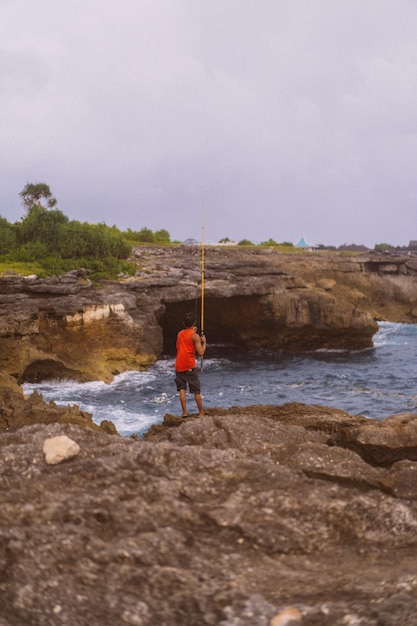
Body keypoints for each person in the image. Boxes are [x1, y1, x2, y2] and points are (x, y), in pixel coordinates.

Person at [175, 311, 206, 417]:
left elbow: (183, 342)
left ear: (184, 323)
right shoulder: (195, 336)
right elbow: (201, 352)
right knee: (196, 391)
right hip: (189, 366)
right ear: (194, 323)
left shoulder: (179, 334)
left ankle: (184, 412)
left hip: (179, 365)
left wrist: (193, 332)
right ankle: (201, 413)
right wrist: (204, 342)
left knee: (182, 389)